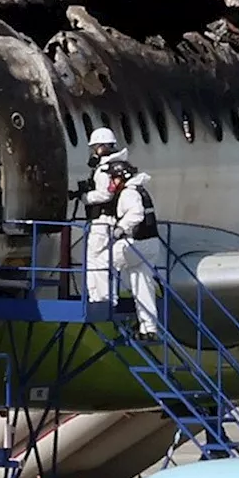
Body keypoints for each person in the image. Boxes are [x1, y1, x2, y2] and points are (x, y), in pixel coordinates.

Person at [68, 127, 129, 305]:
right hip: (110, 220)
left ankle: (100, 297)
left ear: (102, 148)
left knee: (95, 259)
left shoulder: (104, 170)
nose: (94, 152)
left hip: (102, 221)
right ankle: (105, 296)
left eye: (95, 147)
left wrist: (85, 197)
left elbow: (105, 194)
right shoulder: (116, 166)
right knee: (103, 259)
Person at [106, 160, 162, 341]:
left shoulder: (129, 193)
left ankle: (105, 298)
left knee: (102, 260)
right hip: (152, 243)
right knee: (142, 285)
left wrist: (120, 227)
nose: (111, 182)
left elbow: (136, 213)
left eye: (113, 178)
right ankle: (149, 328)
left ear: (123, 178)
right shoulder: (140, 190)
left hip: (137, 244)